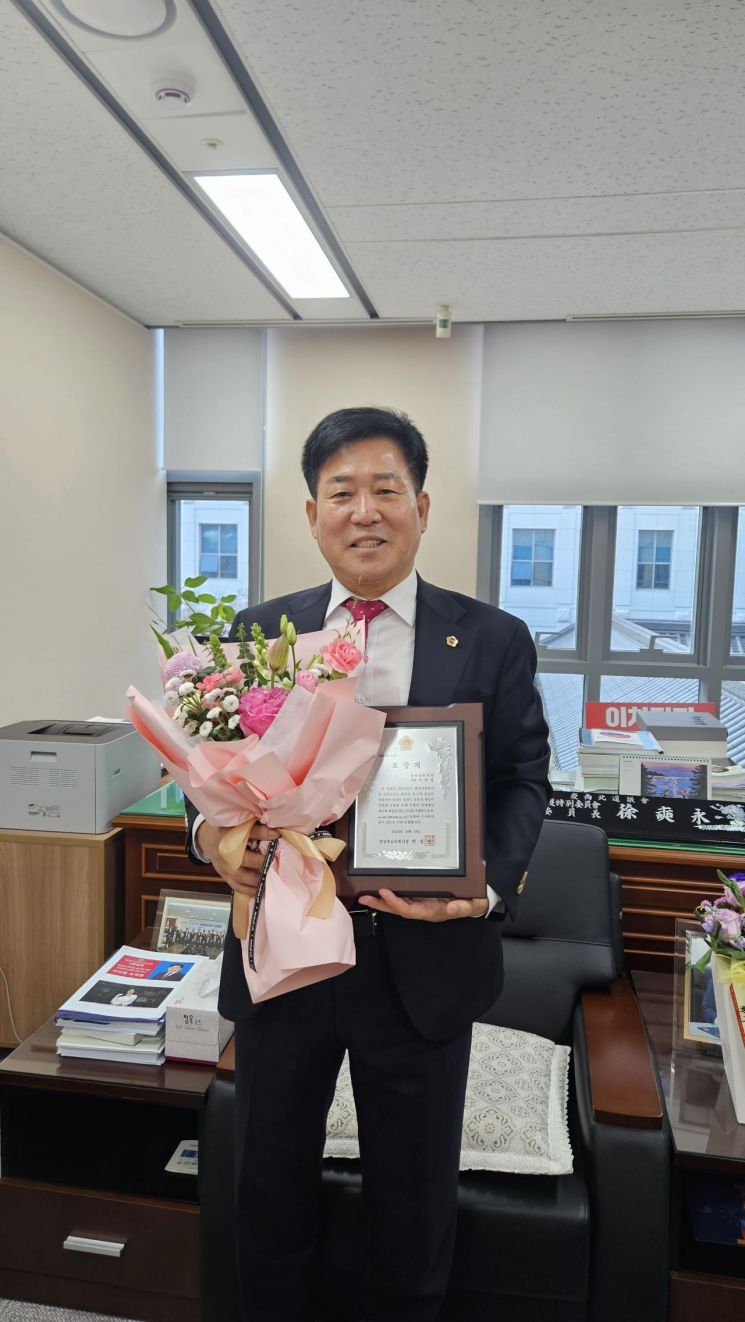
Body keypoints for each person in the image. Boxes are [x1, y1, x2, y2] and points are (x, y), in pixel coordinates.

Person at [185, 406, 550, 1322]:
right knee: (266, 1188)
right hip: (285, 958)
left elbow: (520, 783)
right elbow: (211, 790)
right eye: (341, 492)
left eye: (386, 489)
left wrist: (481, 888)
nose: (365, 511)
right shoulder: (256, 635)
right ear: (311, 515)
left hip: (423, 964)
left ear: (421, 507)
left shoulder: (492, 638)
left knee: (413, 1202)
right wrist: (217, 845)